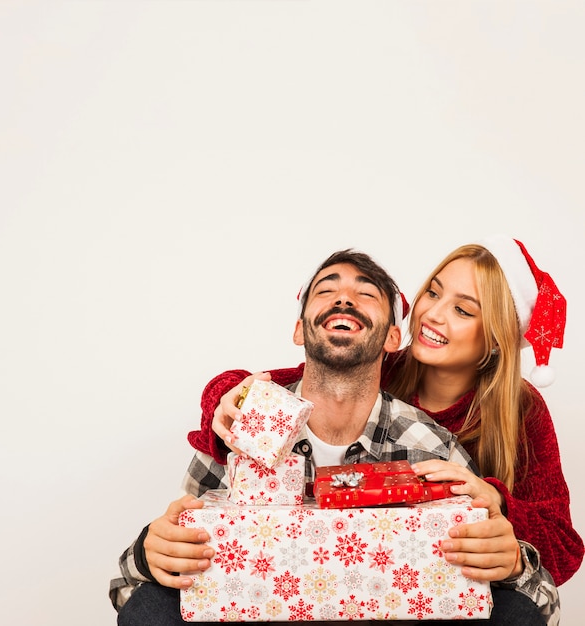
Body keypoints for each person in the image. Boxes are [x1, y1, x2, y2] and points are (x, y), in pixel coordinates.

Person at [189, 236, 582, 624]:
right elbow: (306, 376)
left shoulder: (519, 410)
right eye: (433, 292)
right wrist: (227, 393)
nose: (432, 315)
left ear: (496, 339)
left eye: (463, 310)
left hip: (439, 577)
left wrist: (496, 502)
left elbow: (561, 548)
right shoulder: (382, 364)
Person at [110, 249, 506, 625]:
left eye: (365, 293)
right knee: (149, 606)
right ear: (300, 330)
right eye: (326, 290)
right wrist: (150, 554)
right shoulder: (240, 427)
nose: (344, 300)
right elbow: (137, 580)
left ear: (392, 338)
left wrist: (515, 561)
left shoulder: (429, 446)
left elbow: (513, 586)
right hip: (259, 610)